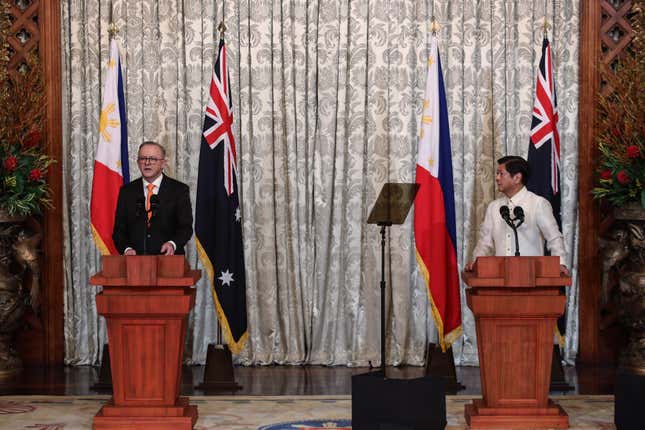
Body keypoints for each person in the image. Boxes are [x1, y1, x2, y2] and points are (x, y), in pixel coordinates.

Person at [465, 155, 569, 275]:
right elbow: (485, 242)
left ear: (517, 178)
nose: (497, 178)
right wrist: (476, 262)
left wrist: (560, 263)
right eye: (496, 174)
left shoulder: (538, 204)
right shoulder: (494, 207)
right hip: (499, 279)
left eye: (501, 174)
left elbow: (554, 238)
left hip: (532, 278)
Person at [112, 141, 193, 255]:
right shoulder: (127, 191)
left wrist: (172, 244)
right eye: (143, 158)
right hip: (134, 264)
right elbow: (119, 231)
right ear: (137, 162)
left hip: (169, 262)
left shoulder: (179, 190)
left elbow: (185, 228)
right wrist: (126, 249)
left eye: (153, 159)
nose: (147, 163)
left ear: (163, 163)